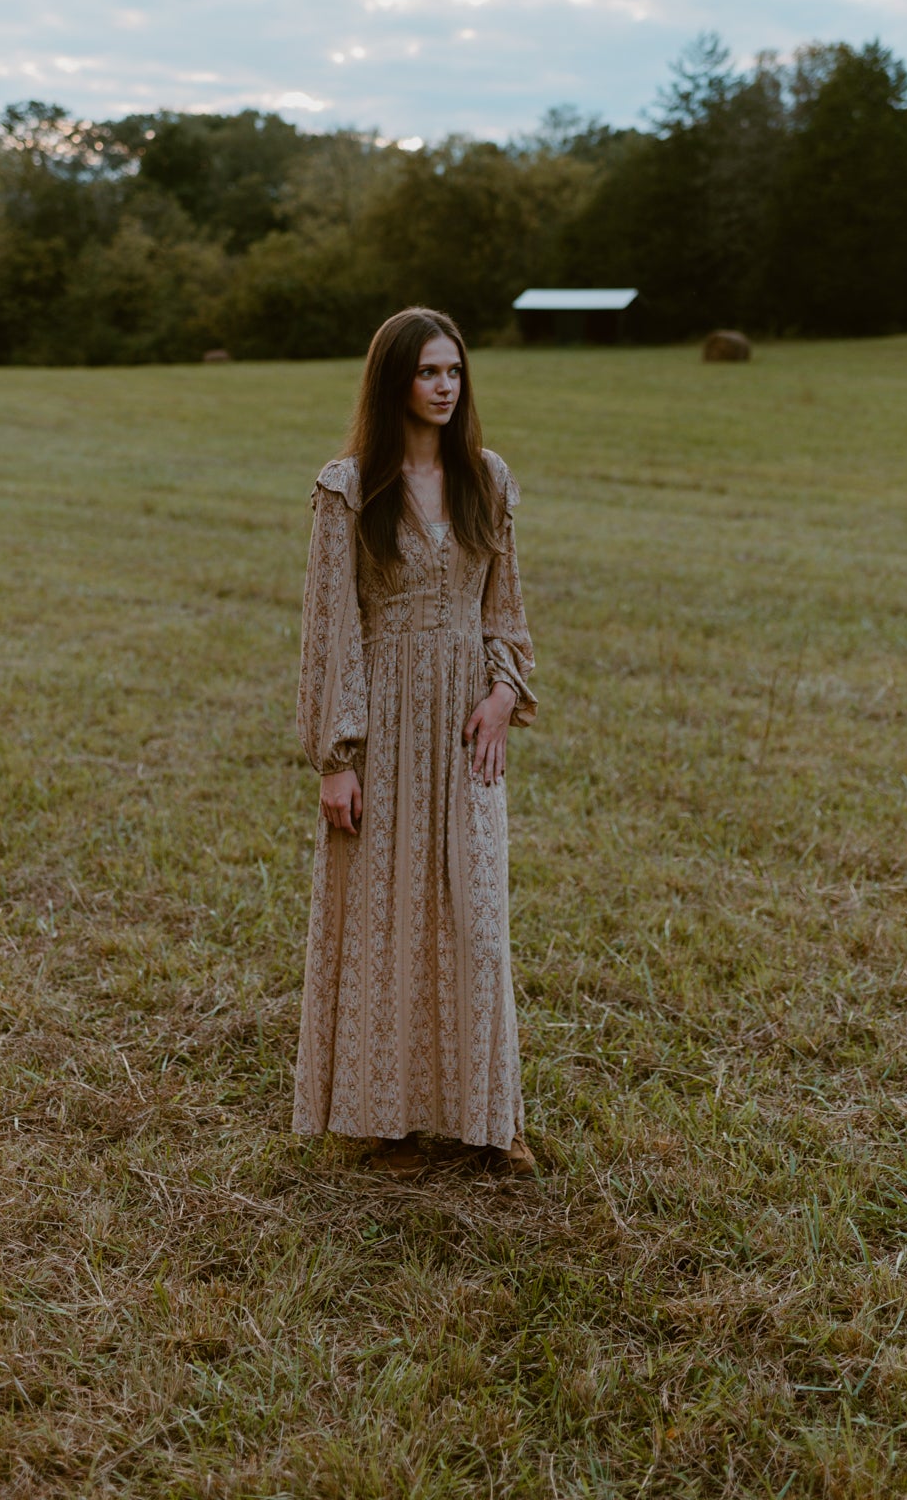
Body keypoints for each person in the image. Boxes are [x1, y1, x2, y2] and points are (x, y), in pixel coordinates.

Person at [293, 306, 538, 1179]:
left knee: (476, 919)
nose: (444, 387)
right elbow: (332, 629)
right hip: (384, 721)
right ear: (394, 379)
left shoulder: (488, 479)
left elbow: (505, 608)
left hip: (466, 728)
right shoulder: (349, 487)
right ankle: (381, 1119)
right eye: (429, 372)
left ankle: (486, 1119)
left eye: (454, 372)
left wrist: (504, 693)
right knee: (384, 920)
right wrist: (335, 757)